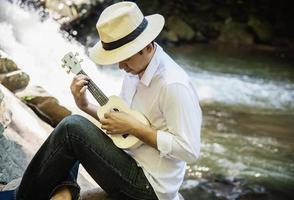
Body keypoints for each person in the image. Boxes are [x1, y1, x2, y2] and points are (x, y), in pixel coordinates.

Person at [0, 1, 202, 200]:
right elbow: (121, 123)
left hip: (150, 188)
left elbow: (189, 151)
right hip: (130, 161)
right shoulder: (135, 71)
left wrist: (137, 129)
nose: (121, 66)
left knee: (72, 128)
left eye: (125, 57)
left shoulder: (173, 85)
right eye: (117, 58)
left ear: (147, 46)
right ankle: (63, 192)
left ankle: (23, 197)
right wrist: (85, 106)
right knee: (76, 130)